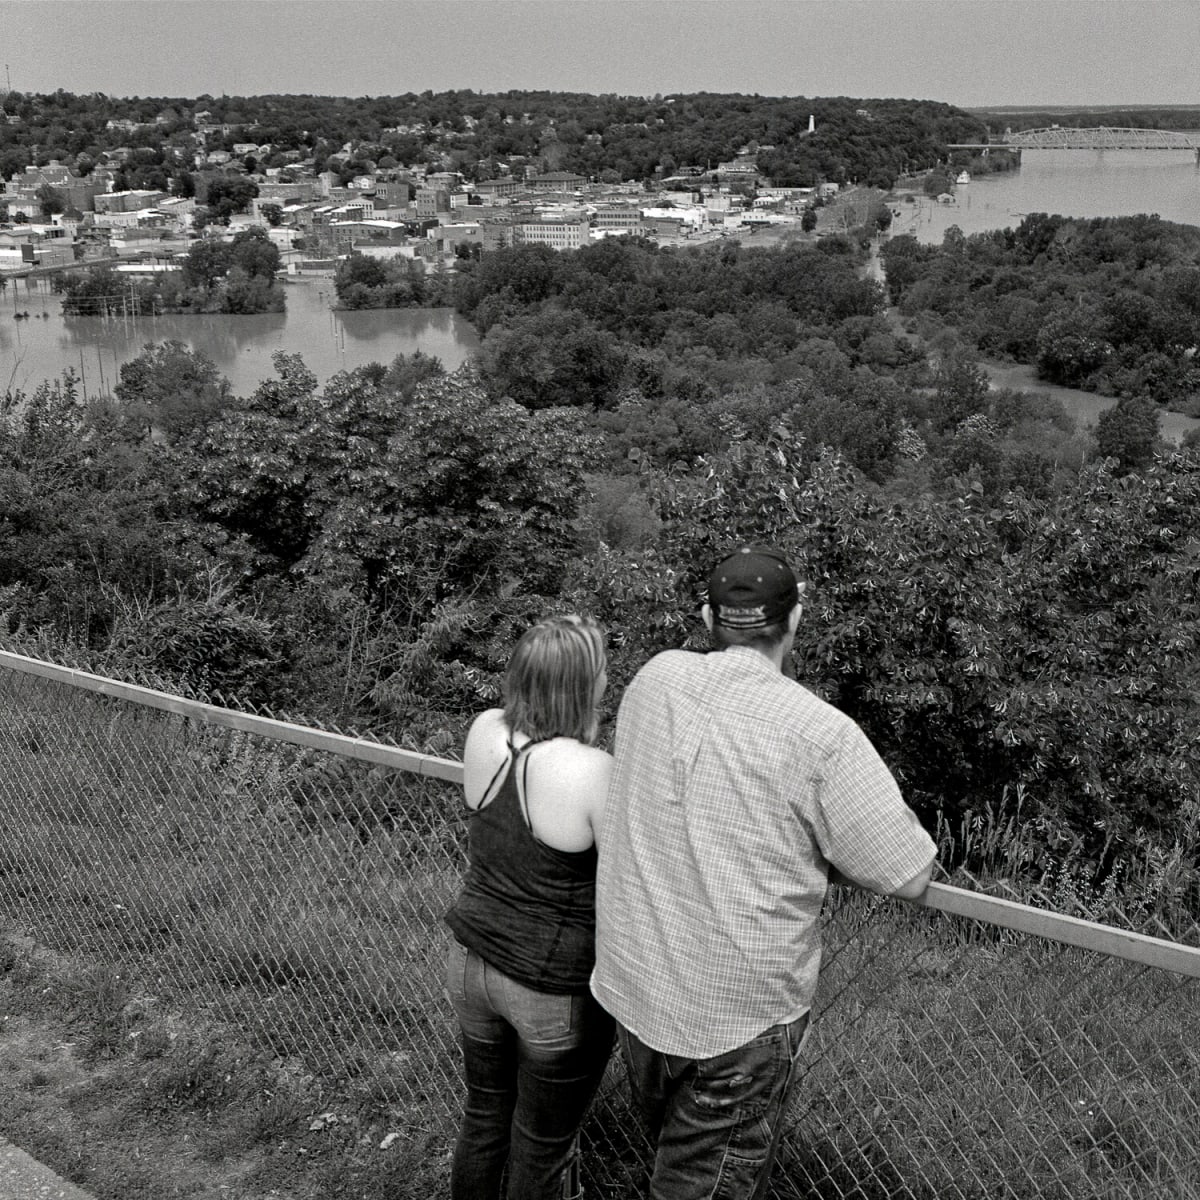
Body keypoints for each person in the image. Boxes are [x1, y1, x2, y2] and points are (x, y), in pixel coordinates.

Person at [592, 546, 936, 1199]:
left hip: (638, 987)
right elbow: (908, 872)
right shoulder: (818, 733)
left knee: (672, 1159)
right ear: (796, 620)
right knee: (698, 1183)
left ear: (706, 616)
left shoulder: (654, 680)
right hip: (735, 1024)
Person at [445, 613, 615, 1200]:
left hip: (472, 965)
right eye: (598, 674)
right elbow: (625, 874)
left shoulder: (485, 730)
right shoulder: (593, 772)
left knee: (484, 1117)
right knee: (542, 1145)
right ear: (578, 685)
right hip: (550, 986)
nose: (605, 685)